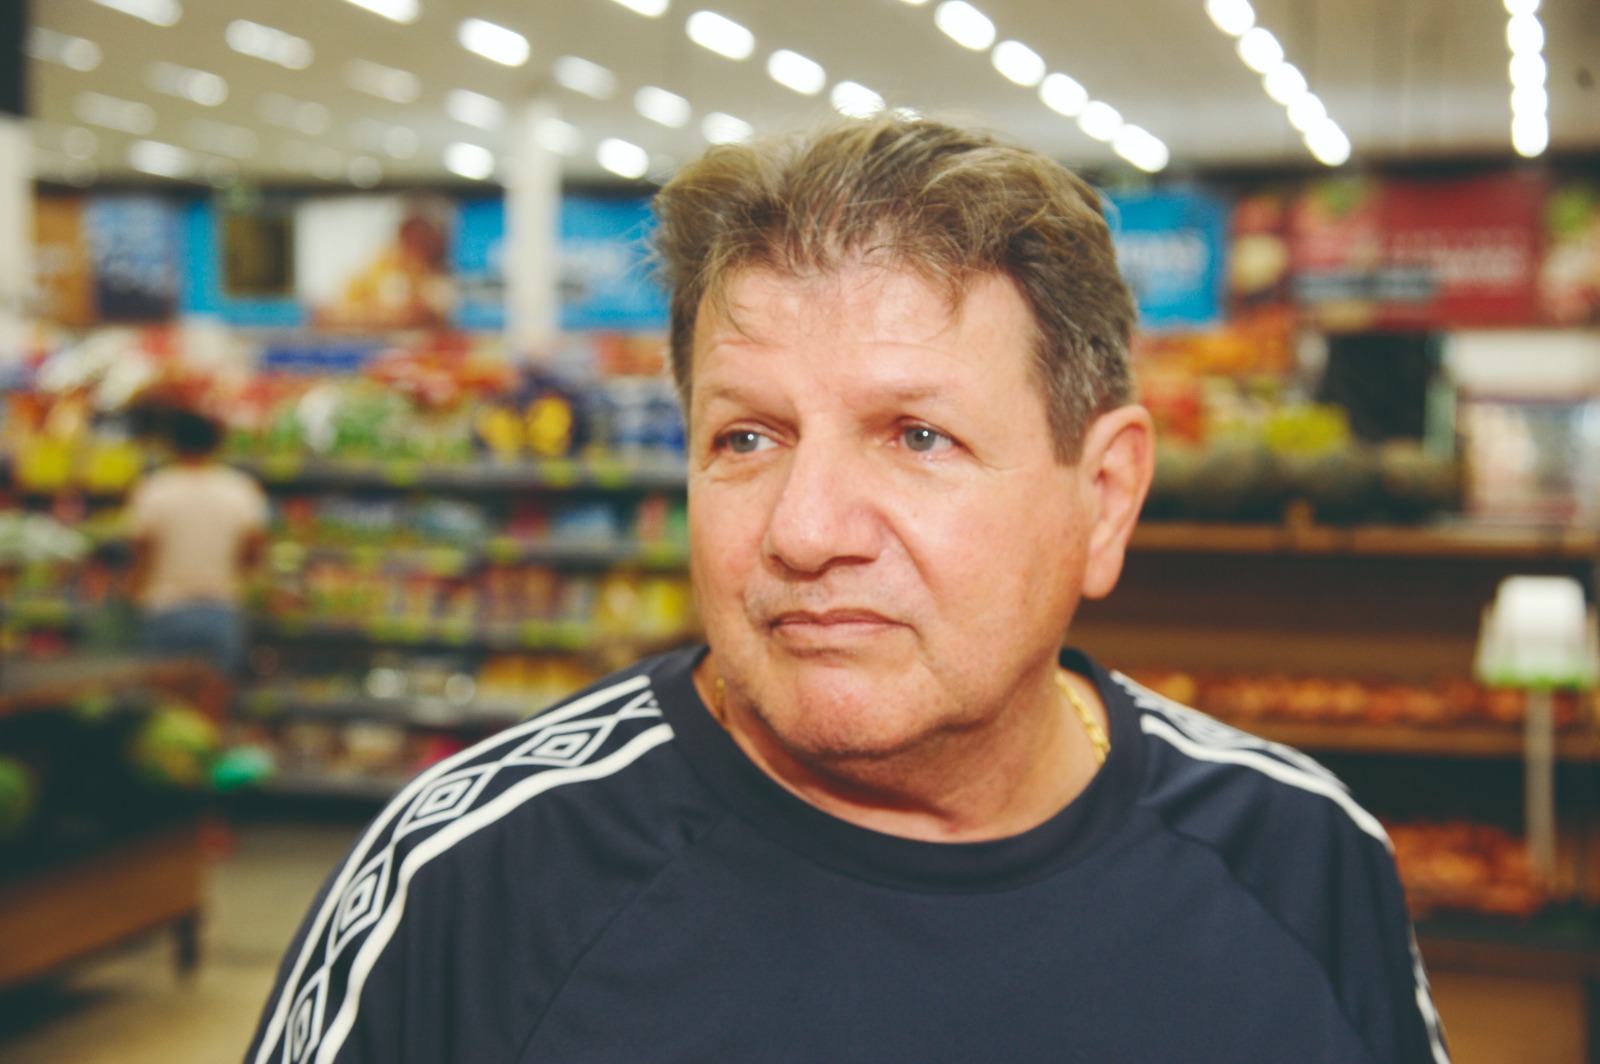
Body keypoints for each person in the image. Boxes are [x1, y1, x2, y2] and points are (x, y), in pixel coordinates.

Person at [246, 118, 1448, 1064]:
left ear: (1105, 495)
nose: (804, 530)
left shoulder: (1300, 854)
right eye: (748, 438)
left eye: (916, 435)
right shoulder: (467, 879)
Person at [128, 408, 267, 675]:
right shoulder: (240, 490)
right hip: (221, 607)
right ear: (217, 443)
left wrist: (134, 594)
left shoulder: (155, 489)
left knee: (162, 703)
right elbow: (252, 553)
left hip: (164, 608)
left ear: (172, 443)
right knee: (214, 698)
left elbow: (143, 552)